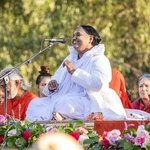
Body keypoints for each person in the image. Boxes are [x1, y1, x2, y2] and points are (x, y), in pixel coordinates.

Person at [26, 25, 127, 121]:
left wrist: (74, 72)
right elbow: (56, 78)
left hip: (86, 101)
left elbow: (98, 84)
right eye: (73, 35)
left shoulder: (99, 59)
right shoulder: (70, 58)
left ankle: (61, 116)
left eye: (78, 35)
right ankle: (59, 116)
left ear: (90, 39)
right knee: (34, 104)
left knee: (64, 103)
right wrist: (52, 86)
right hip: (62, 99)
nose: (74, 38)